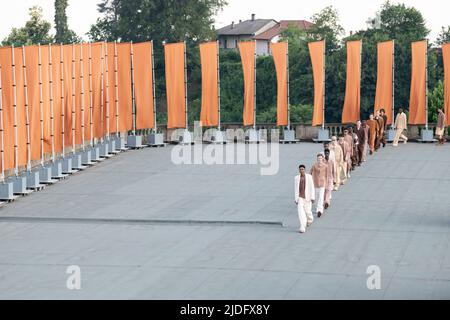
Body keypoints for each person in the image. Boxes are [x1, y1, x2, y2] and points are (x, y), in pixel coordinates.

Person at [294, 165, 315, 233]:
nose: (301, 170)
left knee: (308, 211)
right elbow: (295, 189)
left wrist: (312, 197)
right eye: (300, 169)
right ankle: (302, 226)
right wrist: (296, 199)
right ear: (299, 170)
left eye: (303, 169)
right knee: (301, 213)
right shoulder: (296, 178)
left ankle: (310, 220)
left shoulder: (309, 177)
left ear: (305, 170)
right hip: (300, 197)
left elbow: (312, 187)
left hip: (308, 198)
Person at [310, 154, 328, 218]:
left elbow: (327, 175)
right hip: (315, 183)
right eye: (318, 158)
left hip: (322, 183)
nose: (319, 159)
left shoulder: (325, 166)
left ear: (322, 159)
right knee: (316, 197)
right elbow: (310, 173)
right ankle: (318, 207)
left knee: (321, 197)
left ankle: (319, 210)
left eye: (320, 158)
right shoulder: (314, 166)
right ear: (317, 159)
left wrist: (326, 183)